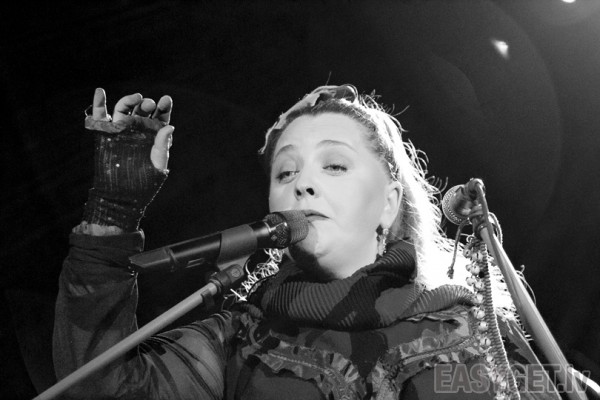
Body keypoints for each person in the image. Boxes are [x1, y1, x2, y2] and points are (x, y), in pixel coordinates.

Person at [53, 85, 562, 399]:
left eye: (334, 165)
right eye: (286, 171)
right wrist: (112, 215)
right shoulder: (240, 341)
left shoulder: (477, 334)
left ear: (389, 203)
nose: (303, 184)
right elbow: (100, 388)